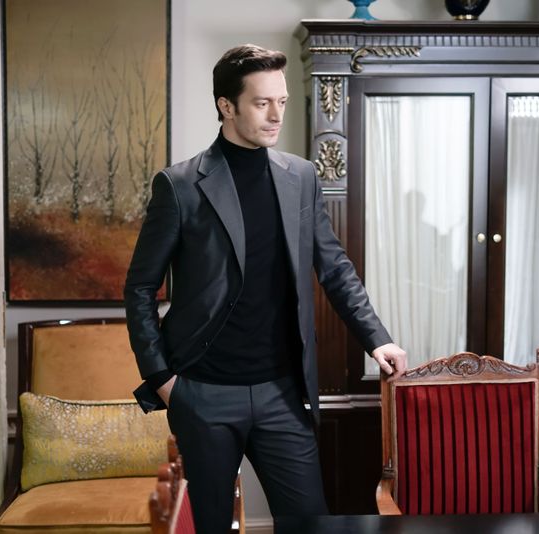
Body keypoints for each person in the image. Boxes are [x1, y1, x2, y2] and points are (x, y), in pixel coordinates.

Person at [124, 44, 406, 533]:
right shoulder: (179, 185)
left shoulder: (302, 176)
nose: (276, 115)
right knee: (211, 527)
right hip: (203, 392)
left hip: (282, 391)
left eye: (281, 101)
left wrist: (376, 338)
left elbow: (334, 267)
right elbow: (140, 287)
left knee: (309, 524)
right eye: (262, 103)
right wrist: (163, 379)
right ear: (227, 106)